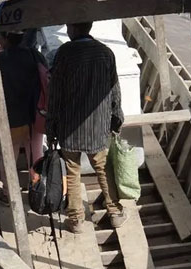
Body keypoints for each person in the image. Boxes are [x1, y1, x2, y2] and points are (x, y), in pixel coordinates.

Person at [46, 22, 127, 234]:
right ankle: (115, 213)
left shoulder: (64, 53)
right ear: (89, 28)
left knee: (73, 172)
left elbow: (54, 93)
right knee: (103, 168)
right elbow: (114, 91)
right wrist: (116, 119)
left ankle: (76, 220)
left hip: (69, 126)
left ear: (72, 29)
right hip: (98, 127)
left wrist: (51, 126)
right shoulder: (105, 53)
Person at [0, 31, 47, 176]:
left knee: (9, 154)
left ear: (5, 39)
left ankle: (7, 191)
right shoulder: (35, 56)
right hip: (35, 113)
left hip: (9, 116)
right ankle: (37, 186)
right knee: (35, 152)